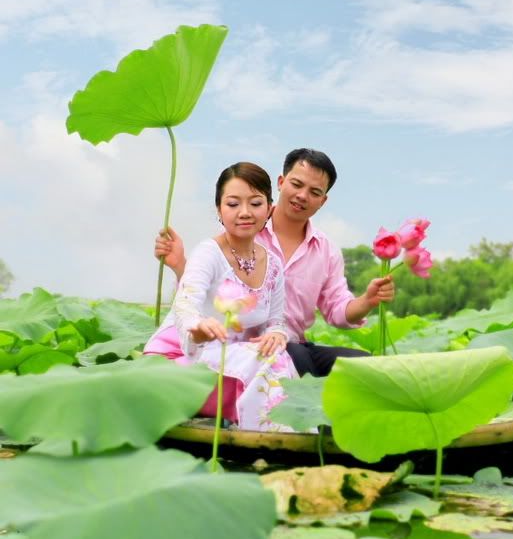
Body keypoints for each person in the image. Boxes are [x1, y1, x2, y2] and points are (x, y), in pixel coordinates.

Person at [154, 148, 394, 377]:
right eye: (297, 184)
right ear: (281, 182)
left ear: (323, 201)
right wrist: (180, 266)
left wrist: (368, 300)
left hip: (288, 341)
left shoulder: (327, 251)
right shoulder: (244, 228)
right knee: (295, 359)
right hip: (243, 347)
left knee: (365, 366)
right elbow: (207, 293)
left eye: (315, 192)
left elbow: (338, 312)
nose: (302, 196)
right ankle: (303, 416)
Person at [145, 162, 296, 431]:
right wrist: (198, 328)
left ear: (270, 208)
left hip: (234, 360)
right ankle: (275, 441)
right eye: (233, 204)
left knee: (276, 353)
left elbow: (276, 321)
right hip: (181, 358)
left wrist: (277, 335)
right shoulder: (209, 253)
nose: (245, 212)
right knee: (270, 360)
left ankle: (281, 436)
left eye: (256, 203)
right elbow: (185, 305)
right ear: (219, 210)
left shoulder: (273, 264)